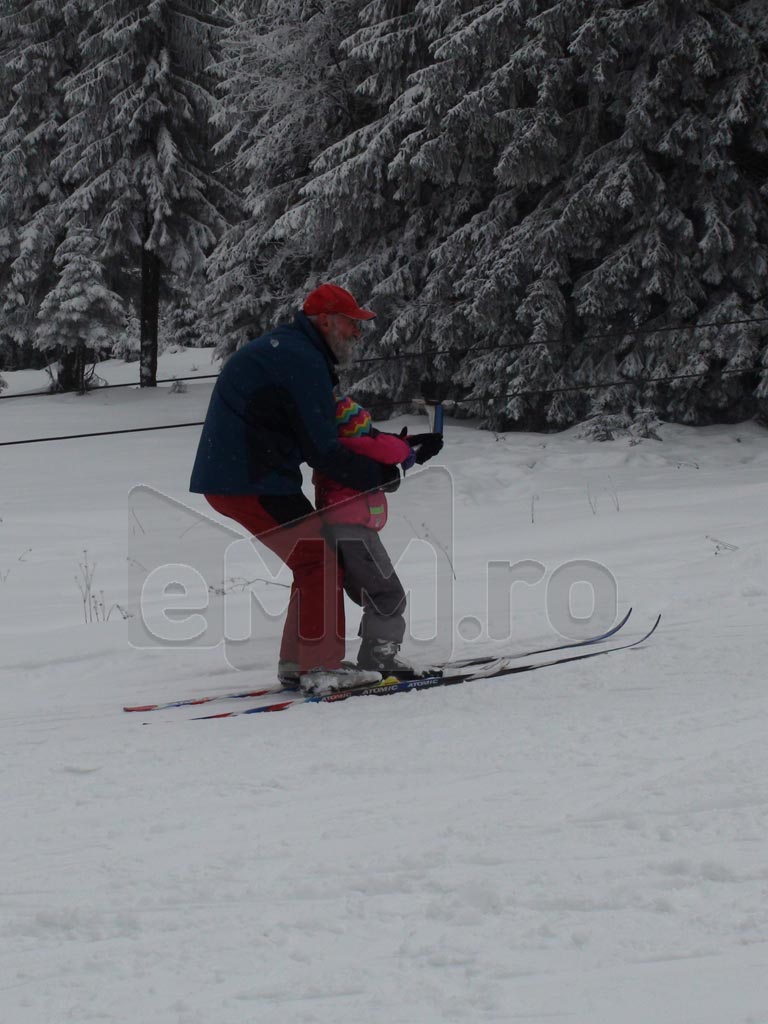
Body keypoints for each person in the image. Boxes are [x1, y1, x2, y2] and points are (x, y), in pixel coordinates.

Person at [189, 283, 440, 695]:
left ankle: (297, 662)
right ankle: (321, 666)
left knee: (311, 559)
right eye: (350, 324)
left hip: (247, 475)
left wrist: (395, 449)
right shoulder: (301, 359)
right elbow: (323, 450)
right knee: (318, 560)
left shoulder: (294, 352)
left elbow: (337, 432)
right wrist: (380, 476)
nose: (357, 333)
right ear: (325, 320)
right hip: (249, 478)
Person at [315, 395, 443, 676]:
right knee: (388, 594)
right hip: (355, 533)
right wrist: (405, 447)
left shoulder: (335, 450)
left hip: (340, 531)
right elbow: (391, 450)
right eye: (368, 429)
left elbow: (384, 449)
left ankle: (373, 651)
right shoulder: (357, 446)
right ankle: (379, 654)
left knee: (376, 595)